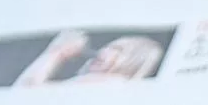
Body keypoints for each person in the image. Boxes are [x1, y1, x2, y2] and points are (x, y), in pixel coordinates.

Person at [14, 29, 165, 86]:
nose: (103, 51)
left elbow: (28, 90)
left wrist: (58, 53)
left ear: (133, 60)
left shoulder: (109, 82)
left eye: (116, 49)